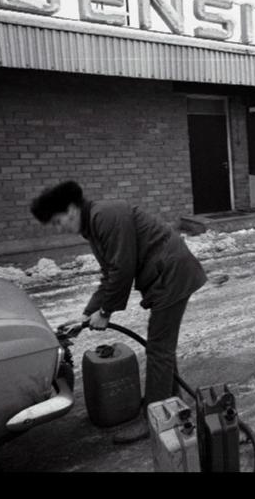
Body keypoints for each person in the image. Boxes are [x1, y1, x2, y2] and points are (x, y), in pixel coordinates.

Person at [31, 180, 207, 444]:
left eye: (57, 221)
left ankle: (155, 419)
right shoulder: (94, 225)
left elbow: (122, 269)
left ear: (71, 210)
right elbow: (110, 274)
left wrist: (105, 311)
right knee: (162, 348)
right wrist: (87, 314)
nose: (59, 228)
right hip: (165, 275)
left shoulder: (105, 216)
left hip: (172, 274)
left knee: (158, 349)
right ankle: (170, 402)